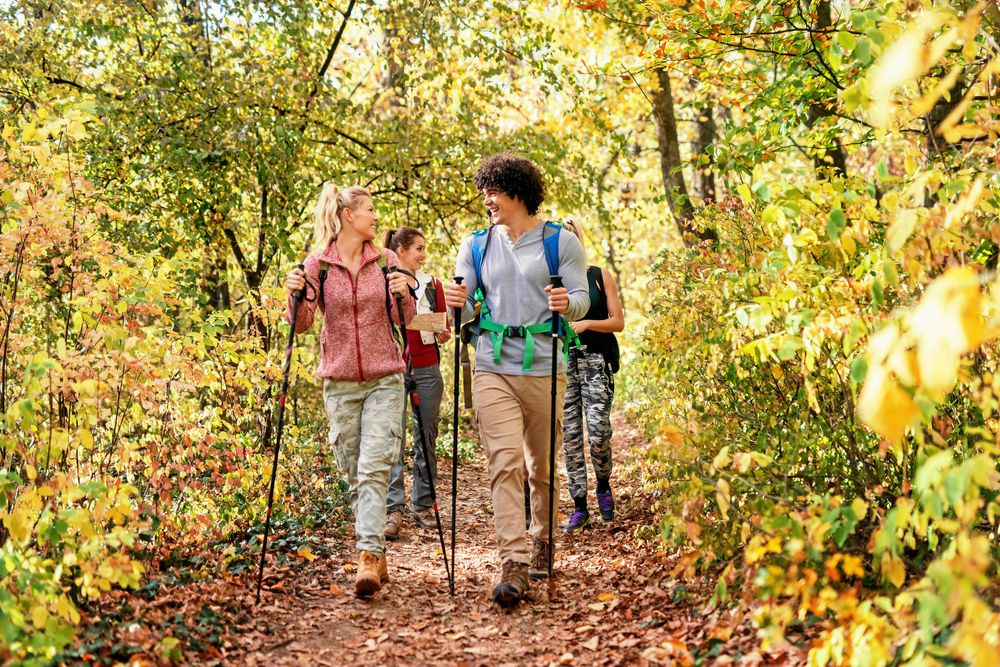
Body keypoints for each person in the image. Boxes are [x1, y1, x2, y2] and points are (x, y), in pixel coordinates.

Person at [444, 152, 589, 607]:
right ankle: (514, 561)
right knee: (503, 462)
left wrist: (569, 302)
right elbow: (464, 307)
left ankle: (543, 538)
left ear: (519, 193)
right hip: (491, 364)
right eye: (484, 191)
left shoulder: (560, 242)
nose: (487, 199)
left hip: (546, 364)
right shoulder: (476, 245)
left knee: (539, 469)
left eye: (495, 191)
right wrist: (453, 302)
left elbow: (583, 297)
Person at [285, 184, 414, 598]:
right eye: (371, 210)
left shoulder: (387, 260)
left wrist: (404, 294)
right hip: (339, 382)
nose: (377, 217)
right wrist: (294, 294)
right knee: (354, 473)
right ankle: (375, 550)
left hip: (384, 378)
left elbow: (406, 320)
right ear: (348, 215)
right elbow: (302, 323)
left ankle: (367, 556)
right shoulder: (318, 264)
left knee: (375, 466)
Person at [382, 227, 451, 540]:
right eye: (418, 249)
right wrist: (425, 322)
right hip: (394, 369)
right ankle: (392, 510)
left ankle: (423, 505)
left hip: (428, 369)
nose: (423, 255)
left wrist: (439, 329)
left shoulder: (433, 284)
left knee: (426, 439)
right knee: (392, 442)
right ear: (400, 249)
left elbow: (442, 325)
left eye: (424, 249)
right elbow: (392, 321)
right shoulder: (385, 280)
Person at [559, 219, 625, 532]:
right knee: (570, 439)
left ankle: (603, 485)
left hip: (596, 362)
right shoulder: (552, 282)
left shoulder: (598, 276)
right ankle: (580, 506)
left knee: (598, 433)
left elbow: (618, 322)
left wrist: (586, 324)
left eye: (572, 237)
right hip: (563, 365)